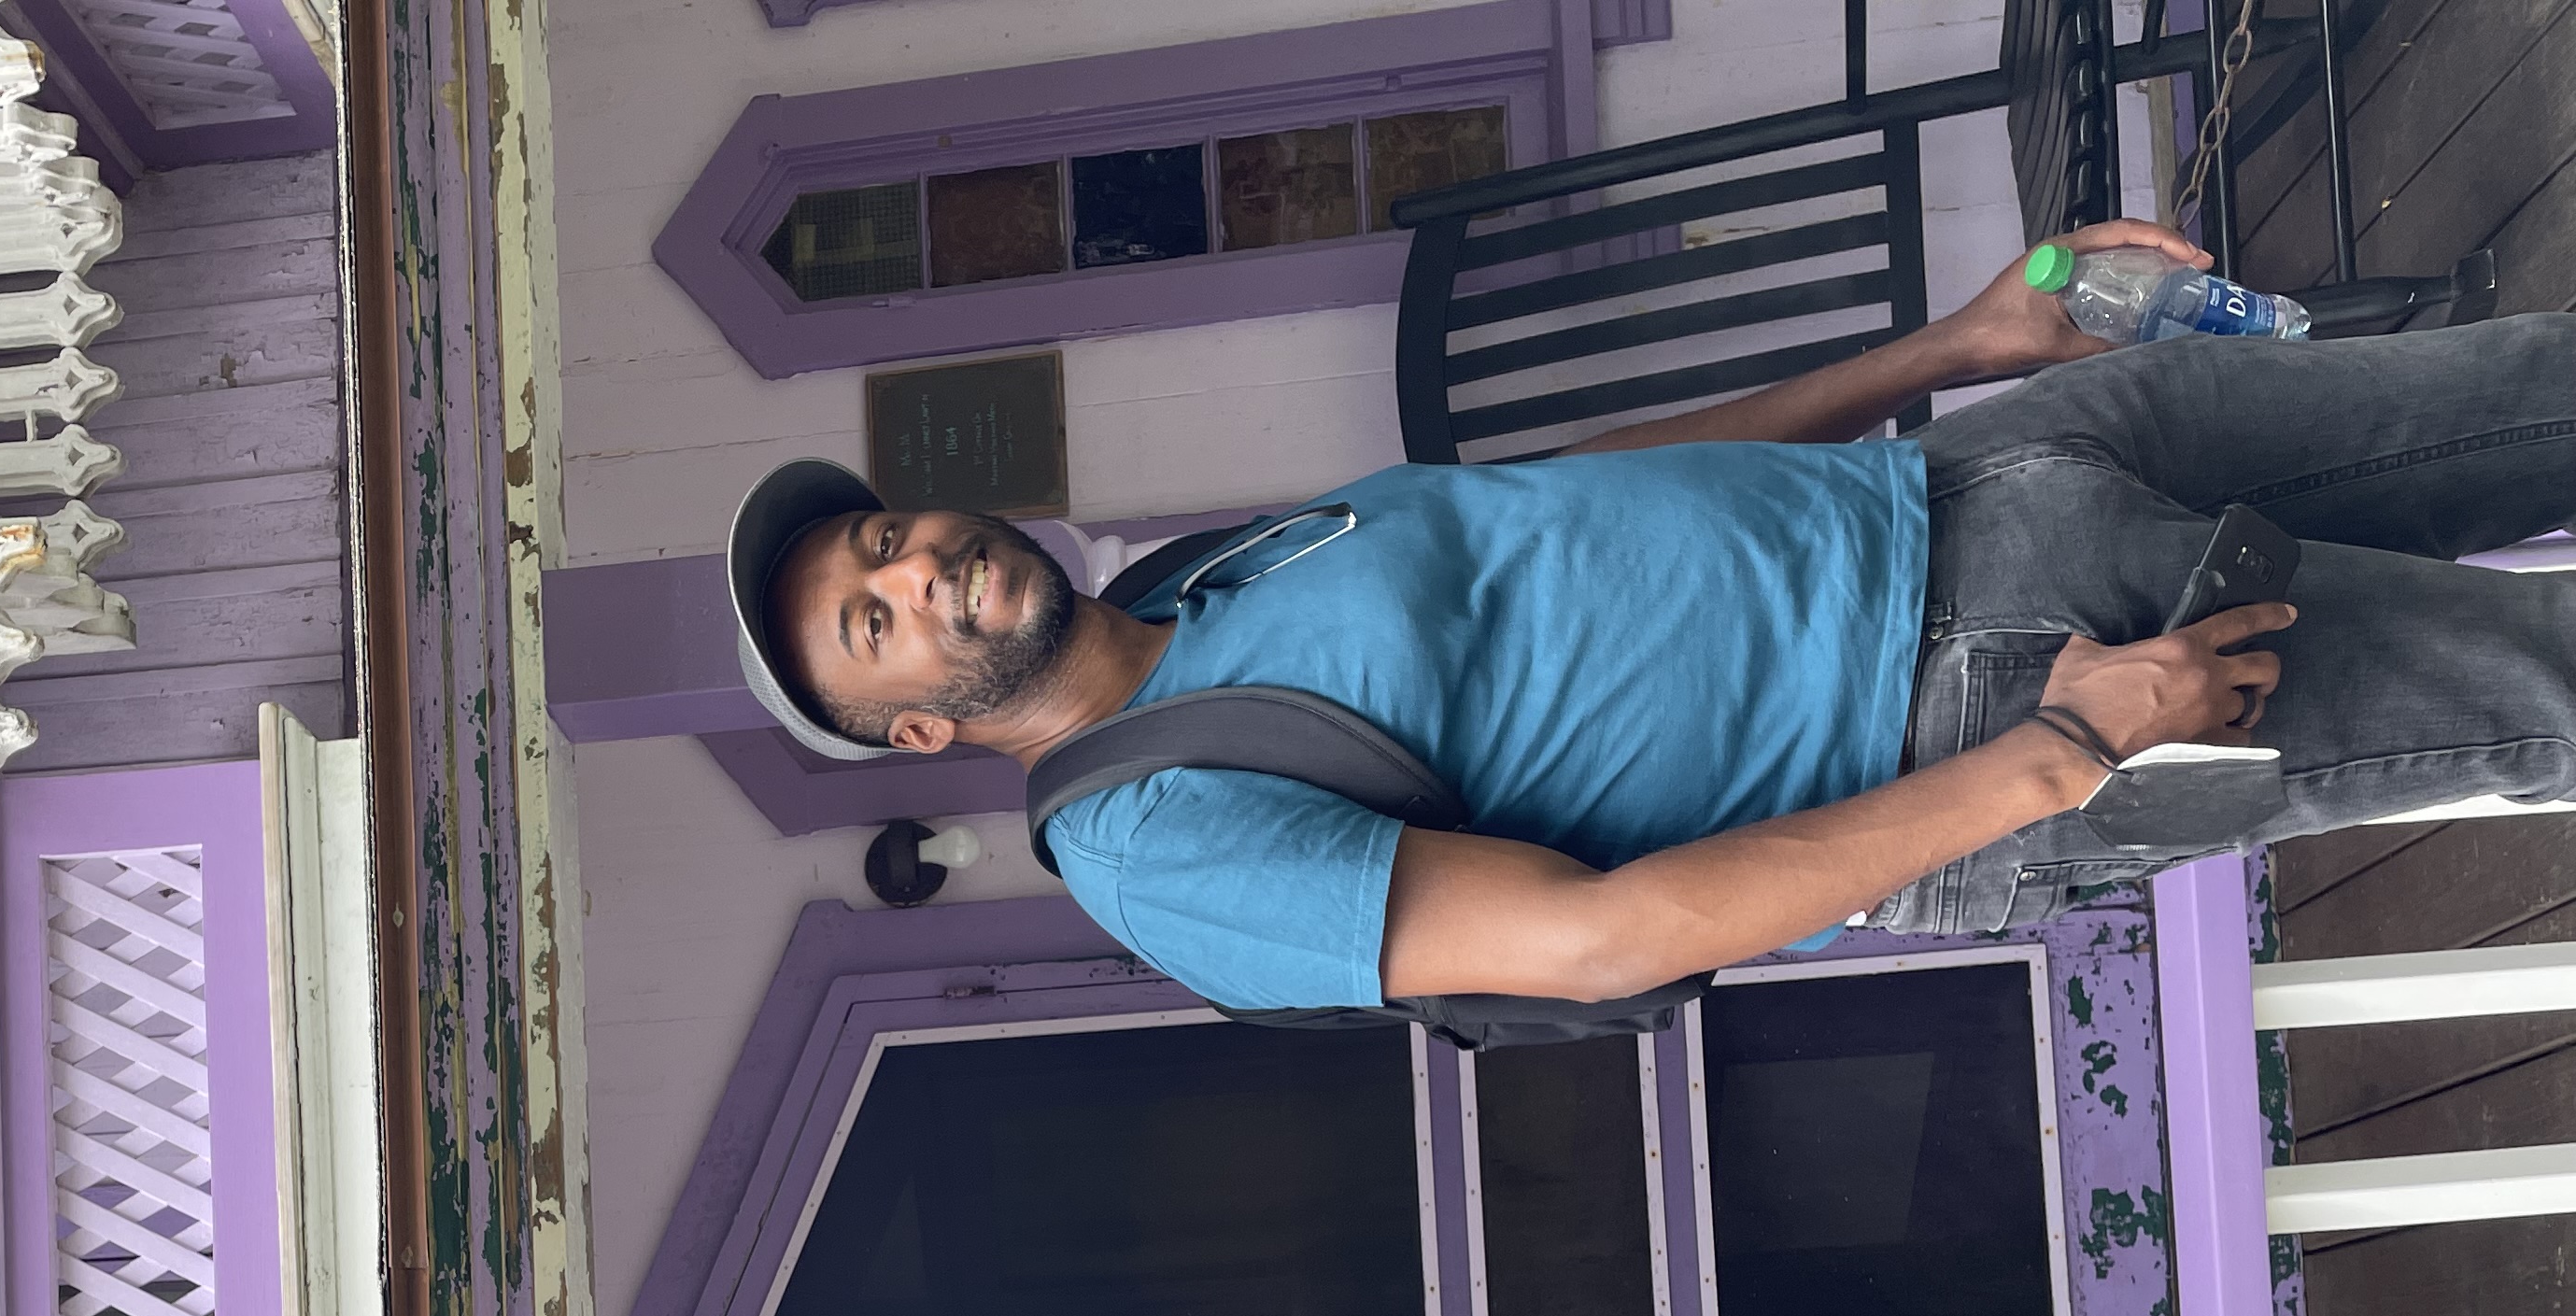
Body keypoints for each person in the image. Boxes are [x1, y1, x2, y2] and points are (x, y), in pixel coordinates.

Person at [723, 220, 2576, 1012]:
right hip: (1989, 695)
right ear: (920, 735)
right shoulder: (1153, 848)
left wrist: (1957, 348)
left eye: (883, 539)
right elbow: (1602, 940)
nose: (916, 572)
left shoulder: (1191, 583)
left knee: (2531, 392)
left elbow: (1586, 495)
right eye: (875, 624)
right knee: (2541, 692)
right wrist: (2057, 756)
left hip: (1975, 476)